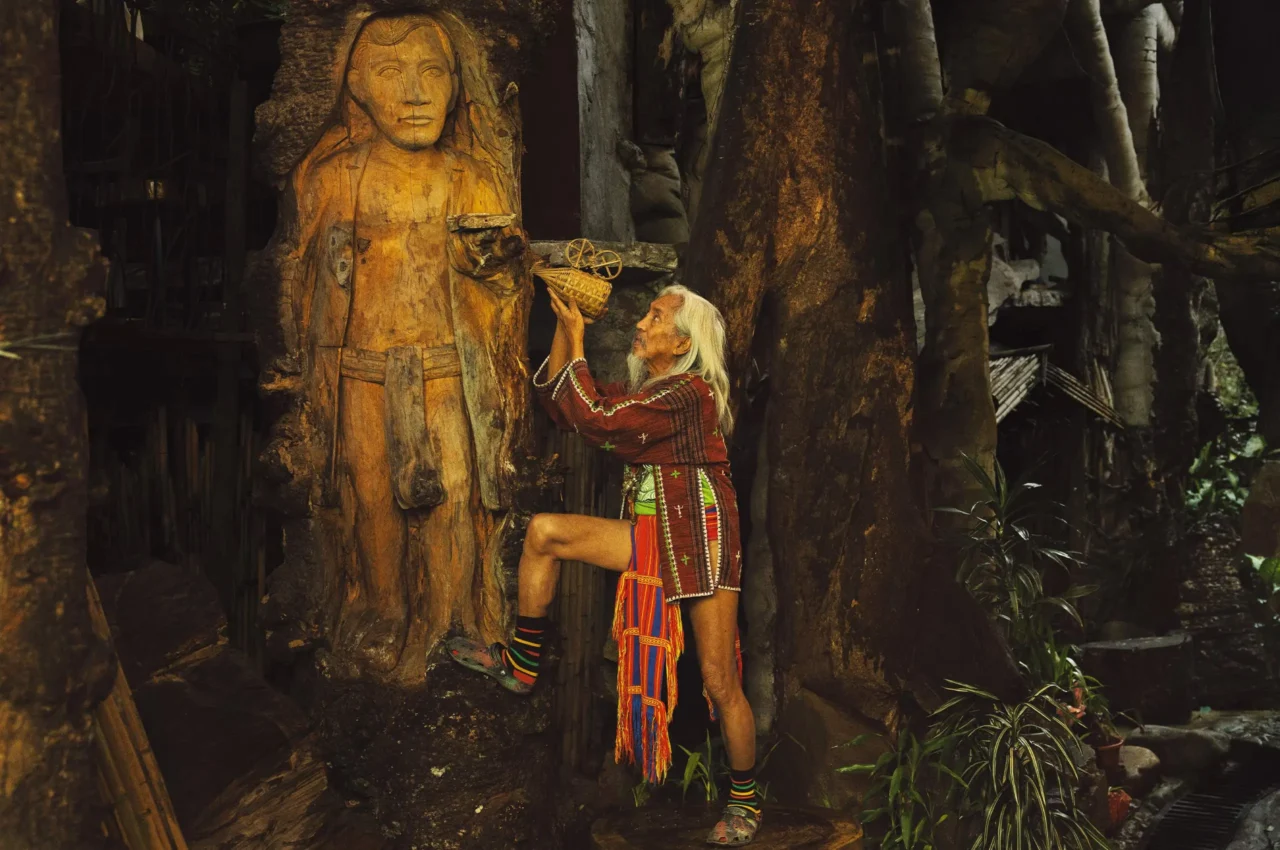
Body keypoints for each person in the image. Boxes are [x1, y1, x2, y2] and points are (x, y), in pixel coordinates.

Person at [448, 285, 762, 846]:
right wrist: (565, 330)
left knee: (719, 681)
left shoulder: (689, 394)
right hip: (653, 534)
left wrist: (579, 338)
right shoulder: (655, 389)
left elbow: (597, 419)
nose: (641, 323)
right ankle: (522, 662)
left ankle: (744, 800)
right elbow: (563, 403)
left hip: (701, 539)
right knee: (545, 533)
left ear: (682, 342)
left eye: (654, 316)